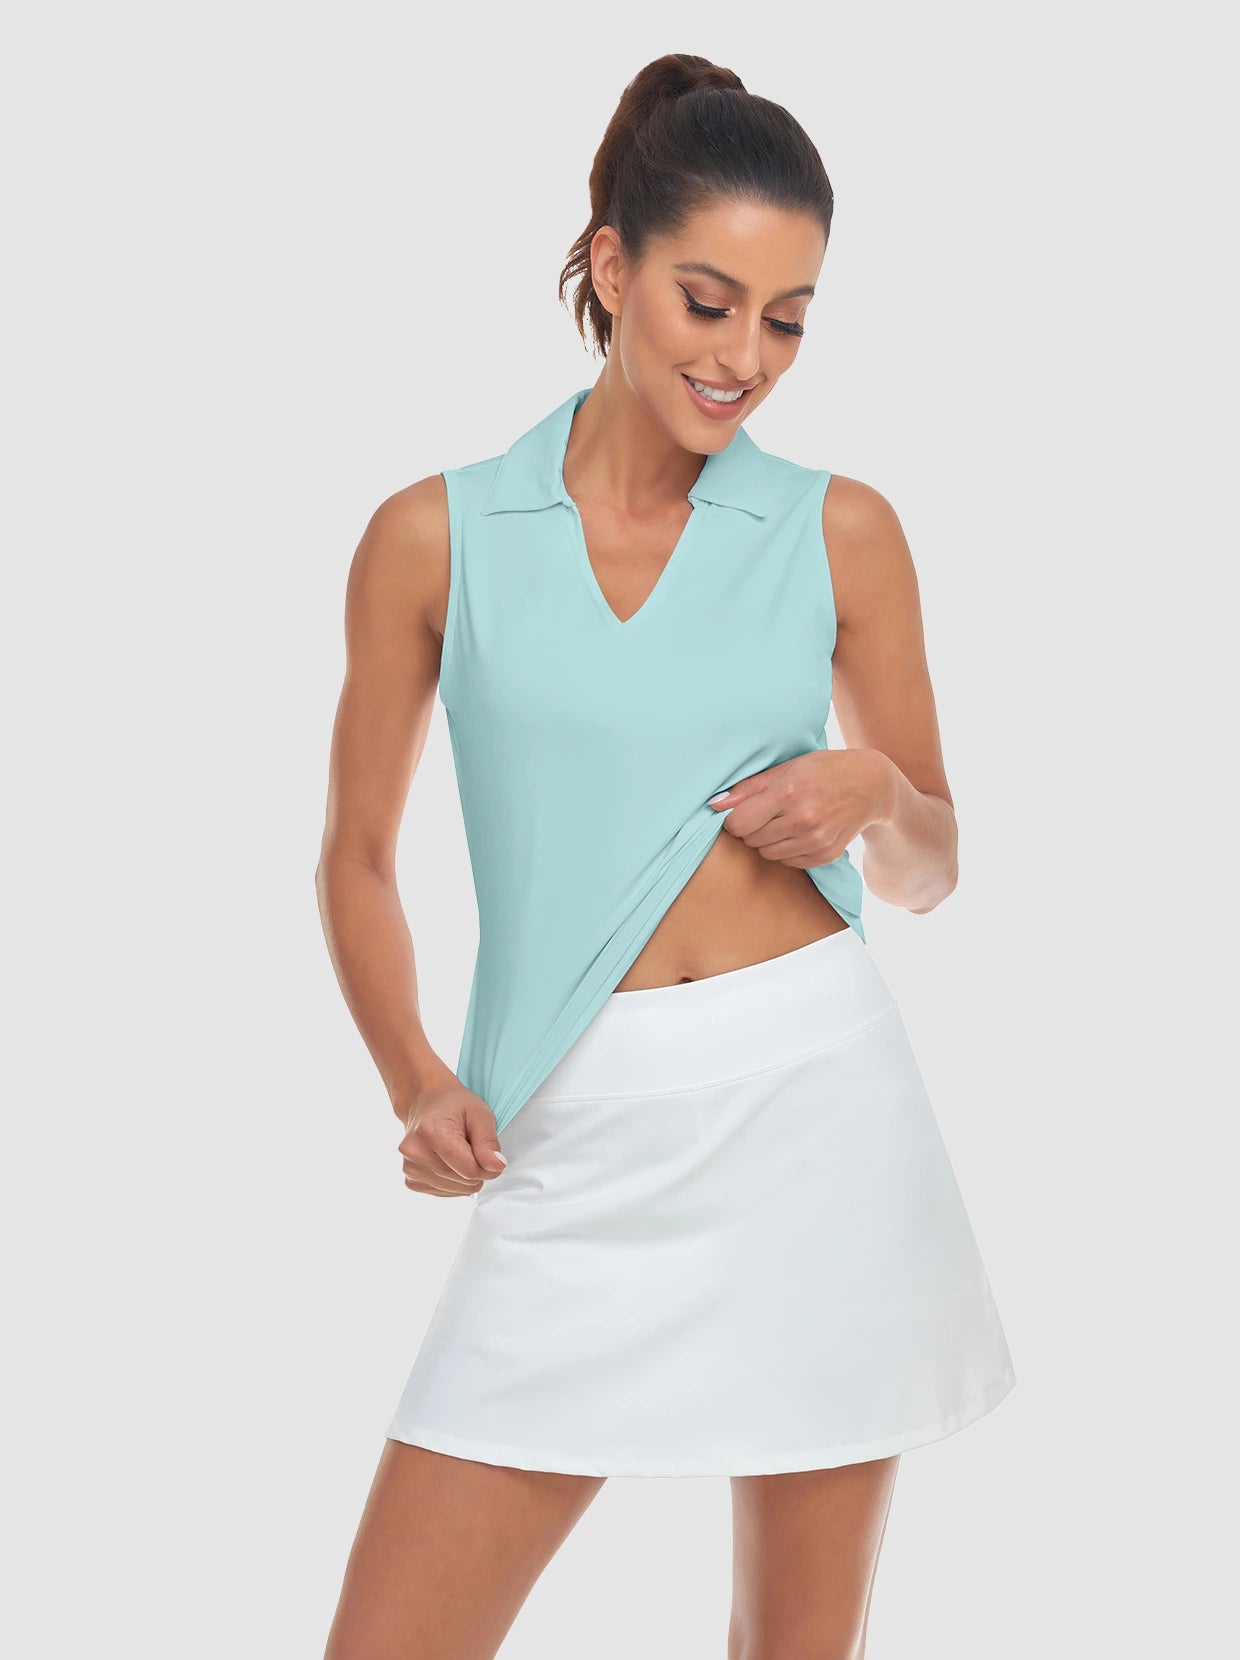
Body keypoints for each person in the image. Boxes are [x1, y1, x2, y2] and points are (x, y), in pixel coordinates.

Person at [315, 51, 1016, 1660]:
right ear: (613, 265)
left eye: (788, 321)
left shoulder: (841, 531)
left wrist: (871, 793)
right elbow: (354, 855)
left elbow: (933, 865)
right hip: (578, 1127)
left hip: (819, 1114)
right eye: (709, 302)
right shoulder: (436, 537)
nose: (744, 358)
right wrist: (414, 1077)